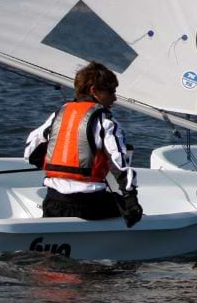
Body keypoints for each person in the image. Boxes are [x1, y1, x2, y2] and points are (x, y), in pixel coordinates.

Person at [23, 60, 143, 225]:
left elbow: (30, 153)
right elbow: (119, 165)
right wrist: (131, 201)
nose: (115, 98)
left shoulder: (57, 115)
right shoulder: (106, 122)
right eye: (111, 91)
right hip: (88, 206)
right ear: (94, 91)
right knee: (126, 207)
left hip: (53, 202)